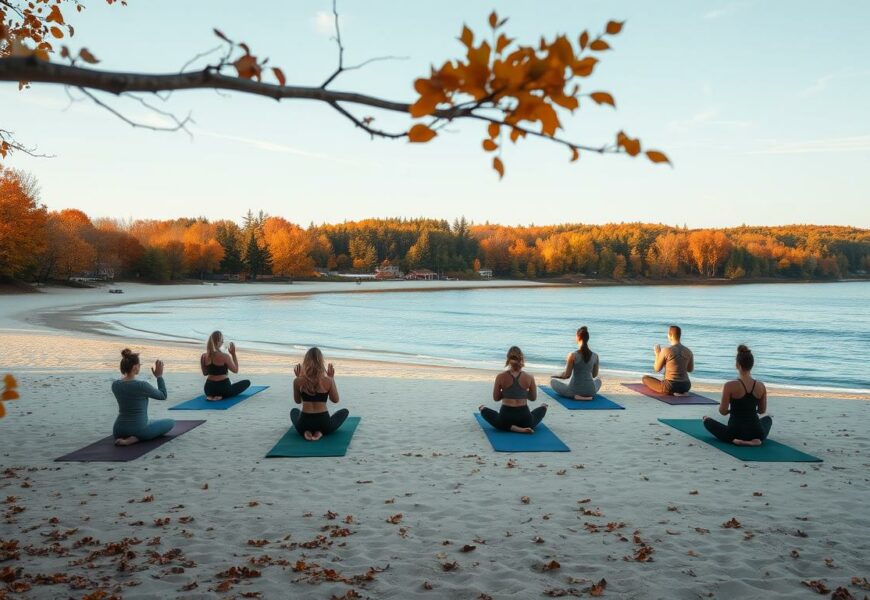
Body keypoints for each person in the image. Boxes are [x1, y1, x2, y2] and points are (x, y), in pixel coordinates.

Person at [703, 345, 772, 446]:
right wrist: (748, 410)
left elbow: (722, 411)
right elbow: (762, 411)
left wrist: (733, 411)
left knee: (706, 420)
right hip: (756, 432)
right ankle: (753, 441)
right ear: (752, 365)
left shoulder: (729, 385)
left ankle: (738, 440)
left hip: (734, 433)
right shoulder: (761, 386)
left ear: (737, 365)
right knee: (768, 418)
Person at [111, 349, 175, 446]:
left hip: (118, 430)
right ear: (135, 367)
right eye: (139, 365)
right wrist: (159, 377)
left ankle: (129, 437)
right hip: (138, 429)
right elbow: (163, 395)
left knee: (151, 422)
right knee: (171, 422)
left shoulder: (115, 385)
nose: (140, 367)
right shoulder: (142, 385)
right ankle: (134, 439)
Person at [479, 346, 548, 434]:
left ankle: (512, 428)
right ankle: (524, 426)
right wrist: (522, 393)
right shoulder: (529, 377)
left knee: (484, 411)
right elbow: (533, 398)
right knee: (541, 410)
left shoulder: (500, 376)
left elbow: (496, 398)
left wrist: (507, 393)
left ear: (508, 359)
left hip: (506, 417)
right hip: (525, 418)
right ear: (521, 359)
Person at [291, 347, 349, 441]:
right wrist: (332, 379)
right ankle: (320, 432)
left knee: (294, 411)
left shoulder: (297, 381)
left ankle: (306, 431)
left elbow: (298, 401)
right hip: (323, 423)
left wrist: (299, 377)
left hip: (304, 423)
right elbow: (335, 400)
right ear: (321, 362)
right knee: (344, 412)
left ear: (306, 361)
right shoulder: (328, 380)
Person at [550, 326, 602, 400]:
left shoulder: (573, 355)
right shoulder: (595, 356)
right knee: (599, 381)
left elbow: (567, 375)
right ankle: (586, 397)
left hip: (574, 391)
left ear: (578, 337)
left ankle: (576, 396)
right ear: (587, 339)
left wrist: (556, 375)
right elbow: (594, 375)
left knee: (552, 382)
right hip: (591, 391)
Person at [642, 325, 694, 395]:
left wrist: (657, 354)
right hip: (686, 386)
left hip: (670, 386)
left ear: (670, 335)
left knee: (645, 378)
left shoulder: (666, 350)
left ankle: (672, 392)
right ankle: (680, 392)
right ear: (679, 336)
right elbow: (690, 370)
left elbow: (657, 369)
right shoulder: (689, 351)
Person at [200, 331, 251, 401]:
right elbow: (235, 370)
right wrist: (233, 354)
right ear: (218, 341)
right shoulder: (225, 356)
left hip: (208, 389)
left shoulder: (203, 356)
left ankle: (211, 396)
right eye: (222, 340)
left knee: (230, 384)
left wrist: (213, 370)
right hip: (223, 389)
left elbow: (205, 373)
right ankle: (221, 396)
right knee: (247, 382)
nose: (223, 342)